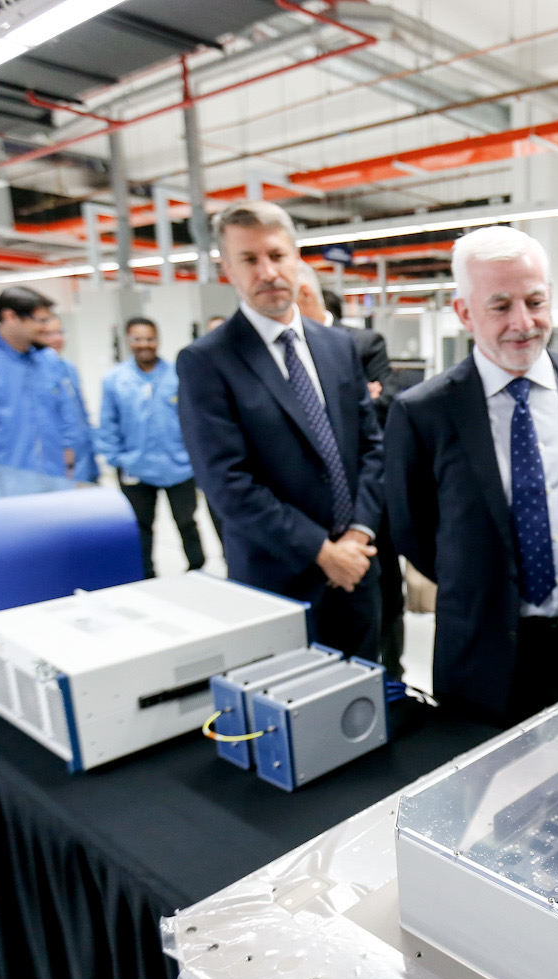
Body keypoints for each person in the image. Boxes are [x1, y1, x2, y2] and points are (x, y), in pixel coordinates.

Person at [387, 227, 558, 725]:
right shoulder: (424, 412)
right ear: (464, 312)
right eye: (500, 306)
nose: (523, 323)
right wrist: (480, 582)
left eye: (535, 301)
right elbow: (413, 531)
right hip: (482, 649)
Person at [177, 201, 385, 658]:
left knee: (367, 702)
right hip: (277, 578)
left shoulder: (338, 347)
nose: (267, 271)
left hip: (358, 568)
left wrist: (358, 536)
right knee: (289, 711)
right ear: (228, 269)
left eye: (276, 255)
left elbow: (372, 448)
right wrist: (323, 552)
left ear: (296, 259)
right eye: (249, 260)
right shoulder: (208, 362)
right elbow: (226, 482)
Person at [307, 276, 406, 679]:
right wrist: (359, 397)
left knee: (383, 597)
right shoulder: (269, 355)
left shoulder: (361, 343)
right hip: (313, 512)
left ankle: (392, 676)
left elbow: (389, 402)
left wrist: (354, 404)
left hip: (366, 498)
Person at [0, 287, 95, 486]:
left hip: (53, 478)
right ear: (10, 316)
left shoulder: (48, 360)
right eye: (41, 321)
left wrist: (69, 463)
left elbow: (64, 415)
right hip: (0, 482)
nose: (48, 328)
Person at [96, 317, 205, 578]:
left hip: (178, 466)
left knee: (187, 523)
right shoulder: (115, 379)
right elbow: (108, 422)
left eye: (150, 338)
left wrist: (194, 458)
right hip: (136, 467)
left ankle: (197, 570)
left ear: (158, 340)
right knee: (140, 527)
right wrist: (116, 460)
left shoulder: (178, 375)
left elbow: (194, 419)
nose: (144, 344)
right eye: (138, 339)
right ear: (128, 341)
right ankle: (145, 576)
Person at [34, 317, 99, 483]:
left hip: (84, 457)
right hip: (58, 466)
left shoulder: (68, 367)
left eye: (59, 332)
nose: (57, 338)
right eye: (49, 334)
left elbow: (81, 413)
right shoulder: (33, 372)